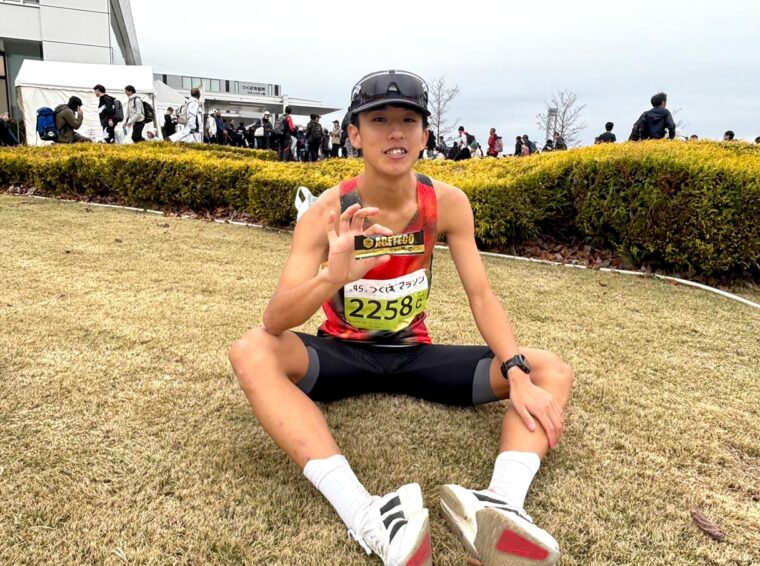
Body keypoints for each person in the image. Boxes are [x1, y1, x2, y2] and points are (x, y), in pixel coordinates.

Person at [228, 69, 572, 566]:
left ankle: (500, 504)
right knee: (250, 349)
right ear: (354, 134)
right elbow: (275, 318)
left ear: (425, 136)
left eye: (408, 121)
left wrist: (516, 372)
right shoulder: (326, 212)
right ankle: (367, 513)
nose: (395, 132)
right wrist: (332, 276)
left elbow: (480, 294)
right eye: (379, 120)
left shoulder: (447, 203)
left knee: (550, 370)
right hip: (340, 356)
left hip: (414, 355)